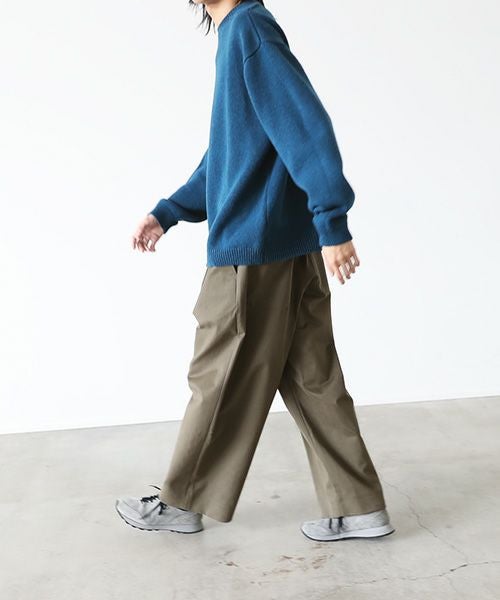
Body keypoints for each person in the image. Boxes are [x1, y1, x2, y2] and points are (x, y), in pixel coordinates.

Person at [115, 0, 395, 542]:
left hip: (255, 252)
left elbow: (305, 126)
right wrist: (170, 210)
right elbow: (232, 151)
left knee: (219, 374)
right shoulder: (237, 34)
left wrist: (332, 221)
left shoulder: (249, 30)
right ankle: (360, 507)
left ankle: (182, 503)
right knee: (314, 378)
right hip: (287, 248)